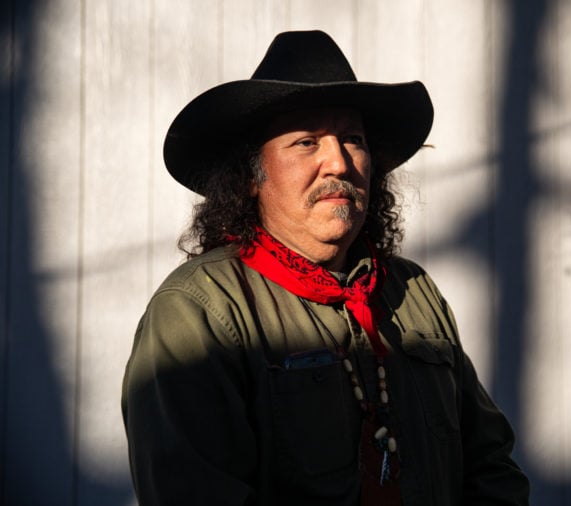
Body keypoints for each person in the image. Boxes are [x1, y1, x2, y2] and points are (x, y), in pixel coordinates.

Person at [122, 30, 529, 506]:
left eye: (353, 140)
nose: (338, 161)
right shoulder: (199, 312)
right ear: (252, 176)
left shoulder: (413, 291)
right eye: (307, 142)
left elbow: (491, 465)